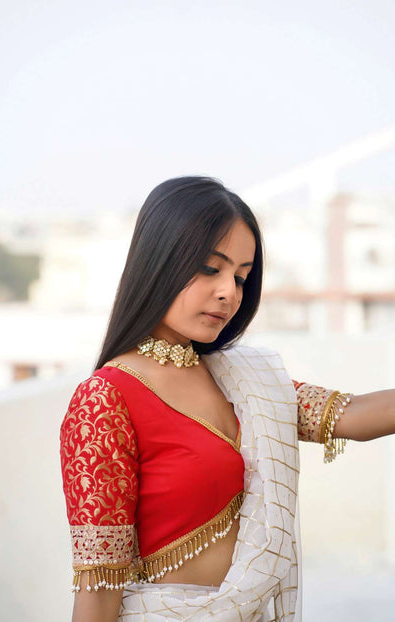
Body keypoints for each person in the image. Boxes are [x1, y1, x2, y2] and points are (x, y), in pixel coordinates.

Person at [59, 176, 394, 621]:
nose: (229, 293)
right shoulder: (104, 402)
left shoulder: (240, 380)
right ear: (159, 261)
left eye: (241, 276)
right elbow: (99, 588)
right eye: (210, 268)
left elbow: (346, 415)